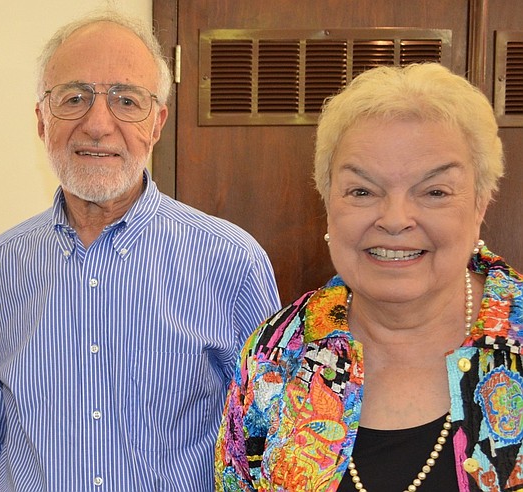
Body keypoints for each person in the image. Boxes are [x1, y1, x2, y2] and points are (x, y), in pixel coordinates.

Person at [0, 10, 281, 492]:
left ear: (156, 124)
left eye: (125, 100)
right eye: (74, 98)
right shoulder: (0, 266)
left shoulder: (232, 262)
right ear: (41, 122)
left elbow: (269, 442)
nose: (97, 124)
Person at [214, 62, 523, 491]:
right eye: (362, 191)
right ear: (328, 203)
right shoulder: (277, 355)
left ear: (480, 206)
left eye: (434, 192)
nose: (395, 220)